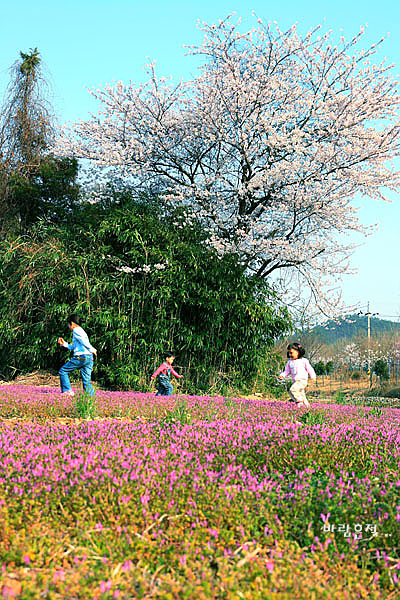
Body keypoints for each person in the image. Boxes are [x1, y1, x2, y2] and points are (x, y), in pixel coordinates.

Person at [58, 314, 97, 396]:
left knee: (63, 371)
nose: (69, 327)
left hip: (81, 358)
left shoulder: (76, 330)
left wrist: (92, 349)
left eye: (68, 325)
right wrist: (64, 344)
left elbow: (83, 341)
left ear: (72, 323)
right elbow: (74, 347)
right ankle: (90, 397)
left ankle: (67, 391)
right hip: (89, 358)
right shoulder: (81, 331)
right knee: (86, 380)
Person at [279, 342, 316, 407]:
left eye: (292, 353)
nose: (290, 355)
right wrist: (283, 375)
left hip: (302, 381)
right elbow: (287, 371)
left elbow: (310, 369)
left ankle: (299, 402)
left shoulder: (304, 361)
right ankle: (307, 407)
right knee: (302, 395)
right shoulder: (290, 362)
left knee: (292, 390)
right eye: (289, 353)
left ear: (298, 352)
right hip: (295, 381)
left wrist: (313, 377)